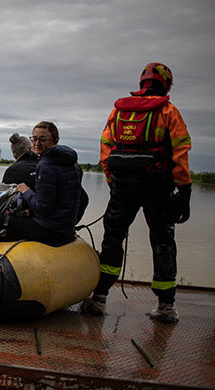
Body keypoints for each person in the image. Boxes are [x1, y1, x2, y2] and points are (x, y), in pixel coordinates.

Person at [83, 63, 192, 324]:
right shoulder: (168, 110)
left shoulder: (119, 112)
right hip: (158, 186)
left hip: (122, 185)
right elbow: (180, 150)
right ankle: (165, 306)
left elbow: (106, 149)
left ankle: (99, 297)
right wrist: (185, 190)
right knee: (162, 240)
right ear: (166, 83)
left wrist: (113, 182)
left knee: (112, 238)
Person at [0, 122, 81, 244]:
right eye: (34, 139)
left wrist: (26, 191)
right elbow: (84, 199)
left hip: (48, 229)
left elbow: (43, 207)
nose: (37, 143)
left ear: (55, 140)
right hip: (64, 228)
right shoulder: (73, 164)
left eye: (43, 139)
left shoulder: (46, 165)